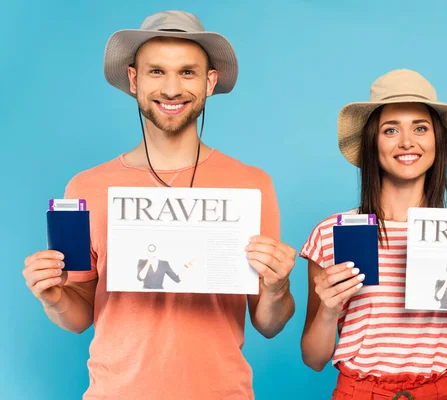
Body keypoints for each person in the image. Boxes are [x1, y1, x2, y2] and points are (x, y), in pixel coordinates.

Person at [21, 10, 296, 399]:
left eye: (187, 72)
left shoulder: (251, 186)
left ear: (209, 82)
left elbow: (269, 323)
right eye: (156, 72)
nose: (171, 89)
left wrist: (277, 287)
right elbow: (79, 314)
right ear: (133, 79)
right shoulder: (85, 187)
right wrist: (53, 298)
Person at [300, 69, 447, 399]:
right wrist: (329, 310)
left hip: (443, 391)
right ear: (372, 142)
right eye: (390, 130)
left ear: (436, 141)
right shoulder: (332, 233)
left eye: (420, 128)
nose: (406, 141)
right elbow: (314, 359)